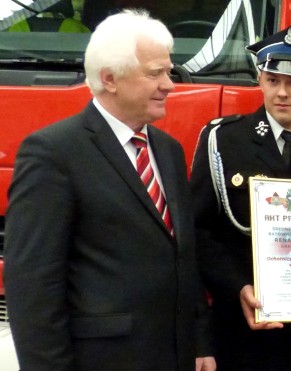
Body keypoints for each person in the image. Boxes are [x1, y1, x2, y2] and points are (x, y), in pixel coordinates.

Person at [3, 9, 215, 371]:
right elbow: (34, 288)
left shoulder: (168, 150)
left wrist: (198, 343)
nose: (169, 84)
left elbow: (183, 256)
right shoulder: (53, 153)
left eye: (168, 70)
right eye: (155, 73)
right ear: (110, 79)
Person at [190, 26, 291, 371]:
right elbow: (200, 232)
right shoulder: (223, 140)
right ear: (260, 80)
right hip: (241, 327)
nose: (282, 92)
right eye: (273, 79)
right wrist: (238, 287)